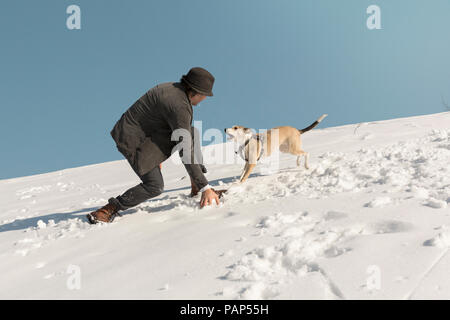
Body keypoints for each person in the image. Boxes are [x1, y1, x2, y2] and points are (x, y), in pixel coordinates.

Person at [87, 67, 224, 224]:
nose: (204, 99)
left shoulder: (171, 88)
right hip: (132, 141)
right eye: (205, 95)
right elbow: (185, 150)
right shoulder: (179, 106)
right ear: (196, 92)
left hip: (144, 134)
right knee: (154, 185)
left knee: (192, 132)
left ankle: (196, 186)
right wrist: (205, 188)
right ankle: (106, 210)